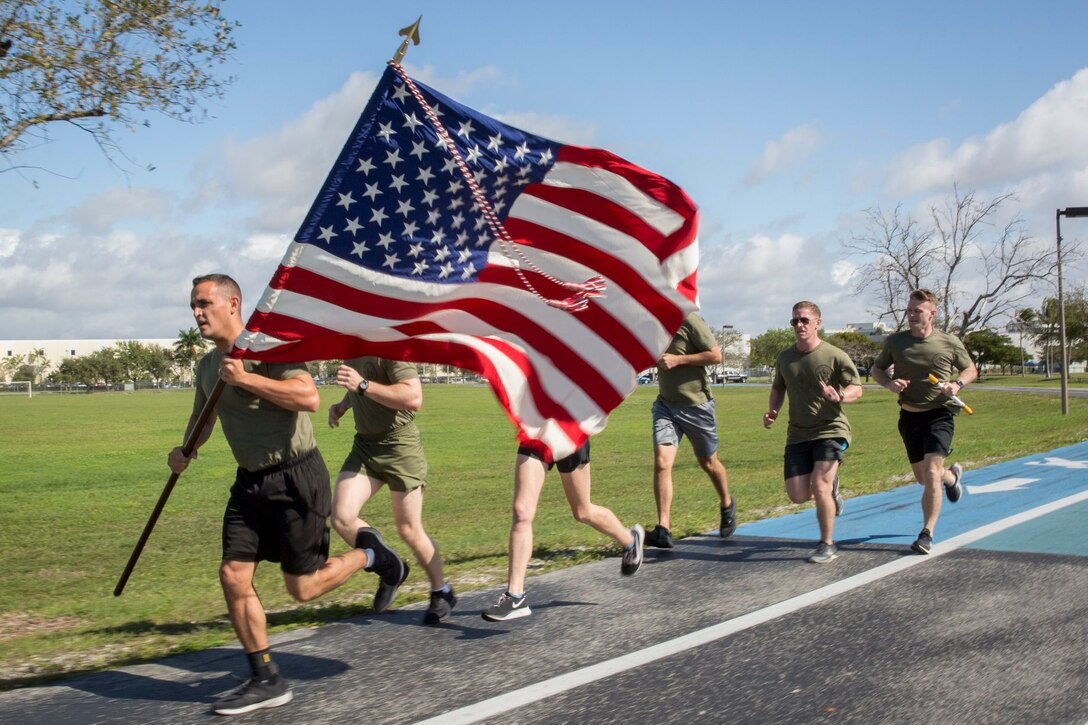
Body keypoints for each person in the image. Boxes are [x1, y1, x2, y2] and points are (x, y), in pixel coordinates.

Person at [168, 274, 407, 716]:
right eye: (193, 306)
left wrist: (246, 379)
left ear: (233, 303)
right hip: (250, 483)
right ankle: (265, 677)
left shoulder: (269, 350)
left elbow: (308, 397)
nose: (197, 313)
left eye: (204, 304)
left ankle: (373, 554)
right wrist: (185, 450)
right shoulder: (206, 366)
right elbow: (203, 416)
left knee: (303, 588)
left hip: (297, 477)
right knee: (233, 575)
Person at [327, 357, 454, 625]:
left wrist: (361, 384)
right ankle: (390, 566)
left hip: (400, 448)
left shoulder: (388, 349)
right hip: (365, 446)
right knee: (341, 516)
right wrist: (343, 404)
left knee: (408, 528)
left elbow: (413, 396)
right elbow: (359, 389)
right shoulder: (353, 348)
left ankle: (441, 590)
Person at [481, 440, 644, 621]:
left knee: (583, 512)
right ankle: (515, 597)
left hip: (569, 434)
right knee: (522, 511)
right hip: (537, 433)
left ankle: (630, 540)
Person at [871, 288, 978, 555]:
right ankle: (951, 477)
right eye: (909, 310)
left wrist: (957, 384)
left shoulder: (949, 341)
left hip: (939, 414)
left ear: (932, 313)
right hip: (908, 416)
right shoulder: (896, 342)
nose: (911, 314)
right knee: (923, 478)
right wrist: (890, 384)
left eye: (917, 310)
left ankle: (926, 533)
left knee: (931, 473)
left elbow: (970, 369)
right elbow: (876, 370)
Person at [763, 301, 863, 564]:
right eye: (795, 321)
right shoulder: (785, 357)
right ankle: (831, 491)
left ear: (818, 323)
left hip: (830, 429)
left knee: (820, 485)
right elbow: (778, 388)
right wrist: (772, 411)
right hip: (797, 433)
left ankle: (827, 543)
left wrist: (840, 395)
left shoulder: (834, 355)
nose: (799, 325)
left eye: (804, 320)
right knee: (797, 495)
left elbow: (857, 388)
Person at [645, 312, 736, 548]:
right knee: (662, 463)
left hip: (697, 407)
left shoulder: (690, 320)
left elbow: (716, 355)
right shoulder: (652, 321)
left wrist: (678, 360)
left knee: (708, 462)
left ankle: (727, 503)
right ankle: (663, 528)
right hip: (666, 405)